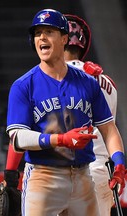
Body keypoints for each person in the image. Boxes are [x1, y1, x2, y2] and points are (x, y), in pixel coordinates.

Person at [5, 9, 126, 216]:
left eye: (49, 32)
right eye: (37, 33)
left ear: (64, 39)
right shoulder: (23, 85)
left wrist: (120, 163)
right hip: (44, 176)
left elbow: (108, 128)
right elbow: (17, 137)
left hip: (84, 174)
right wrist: (61, 139)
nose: (42, 37)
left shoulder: (88, 82)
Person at [64, 14, 116, 216]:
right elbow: (110, 132)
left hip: (65, 171)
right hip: (101, 171)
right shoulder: (108, 82)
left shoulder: (50, 76)